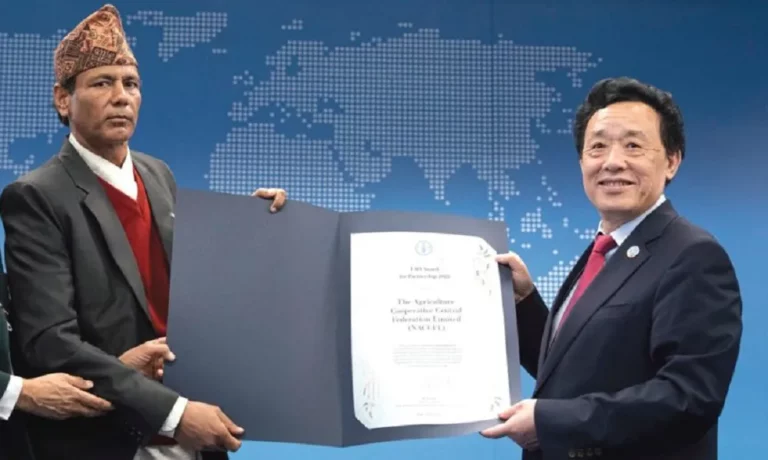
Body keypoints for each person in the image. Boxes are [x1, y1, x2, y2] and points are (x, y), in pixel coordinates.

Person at [0, 4, 287, 460]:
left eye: (130, 84)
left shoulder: (158, 174)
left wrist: (254, 227)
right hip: (110, 438)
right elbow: (51, 342)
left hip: (196, 432)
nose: (121, 97)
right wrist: (173, 412)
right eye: (101, 83)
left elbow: (193, 289)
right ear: (63, 100)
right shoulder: (36, 196)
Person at [482, 77, 742, 459]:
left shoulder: (693, 255)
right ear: (582, 162)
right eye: (598, 147)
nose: (613, 162)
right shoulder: (604, 251)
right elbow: (577, 370)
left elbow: (688, 398)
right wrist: (522, 301)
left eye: (633, 145)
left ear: (672, 161)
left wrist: (550, 421)